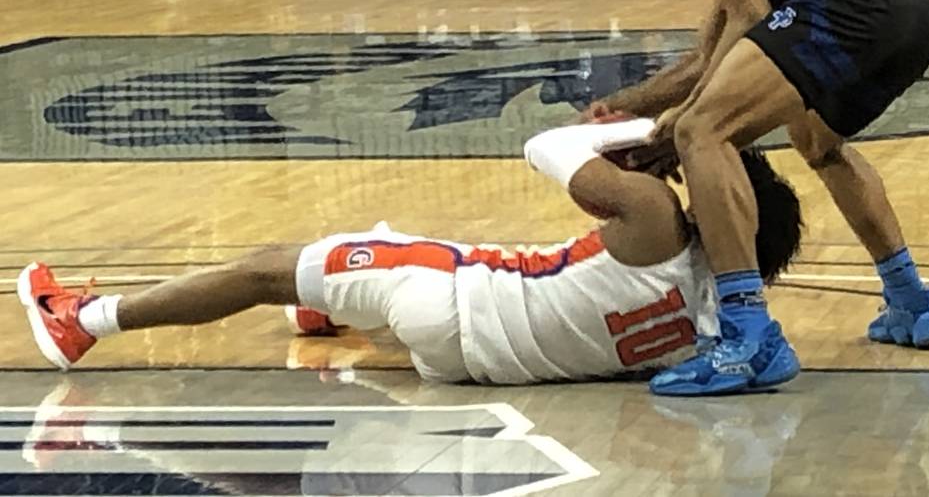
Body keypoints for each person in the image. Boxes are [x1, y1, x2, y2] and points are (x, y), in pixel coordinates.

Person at [588, 0, 929, 396]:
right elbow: (713, 54)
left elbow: (752, 17)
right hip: (915, 12)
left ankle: (746, 338)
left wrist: (689, 115)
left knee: (703, 134)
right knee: (817, 140)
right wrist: (631, 103)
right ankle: (913, 300)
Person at [19, 119, 804, 388]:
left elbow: (545, 144)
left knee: (263, 267)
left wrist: (657, 136)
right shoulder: (725, 326)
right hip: (473, 361)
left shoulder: (657, 215)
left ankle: (83, 320)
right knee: (388, 244)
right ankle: (325, 307)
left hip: (450, 300)